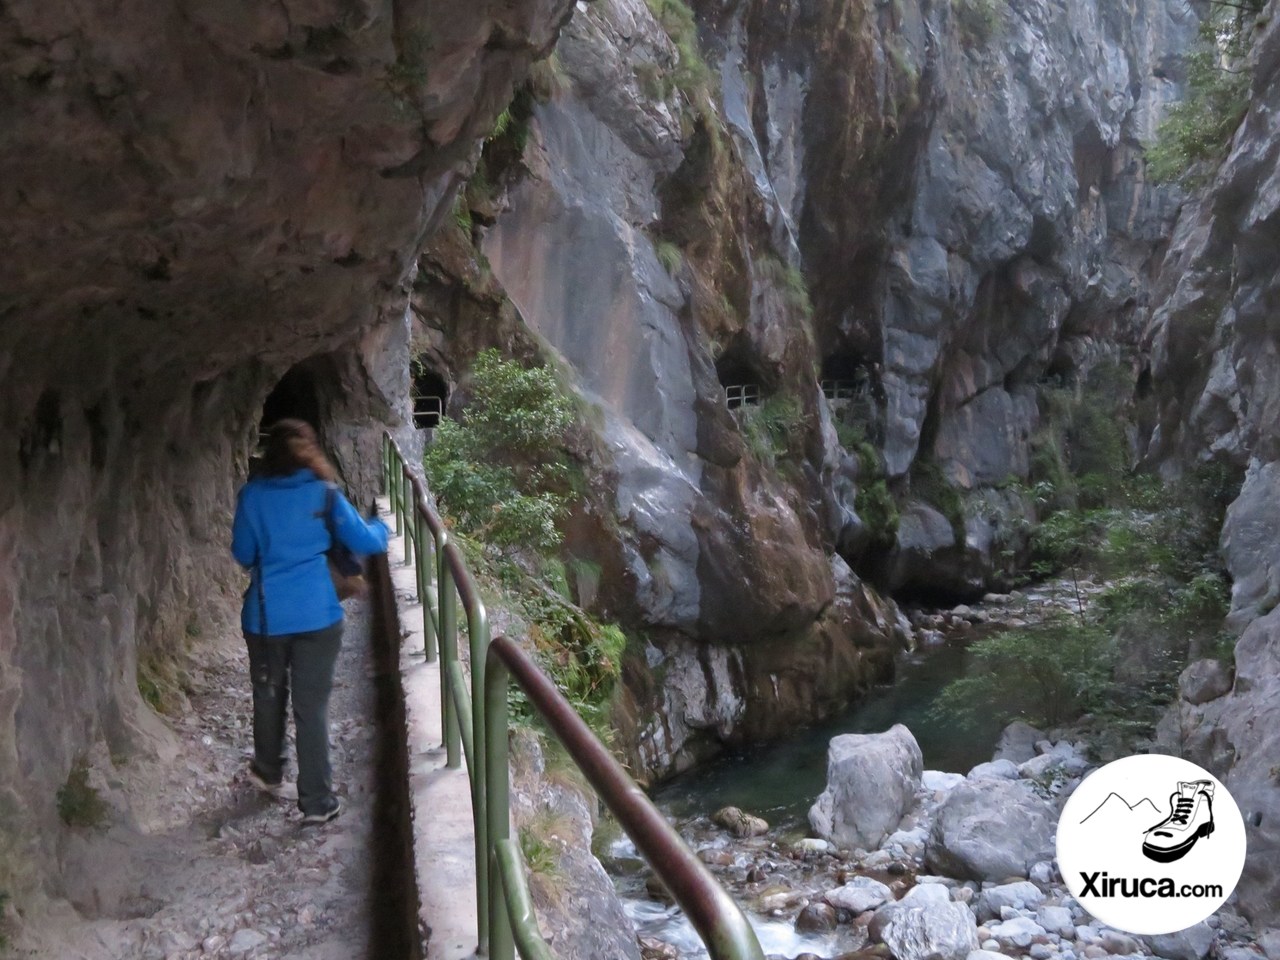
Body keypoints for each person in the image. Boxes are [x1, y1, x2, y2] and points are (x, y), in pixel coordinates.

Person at [230, 418, 389, 824]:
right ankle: (317, 802)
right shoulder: (325, 494)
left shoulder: (251, 495)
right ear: (309, 452)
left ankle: (268, 771)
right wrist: (385, 525)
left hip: (265, 616)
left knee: (267, 695)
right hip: (318, 615)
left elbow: (244, 554)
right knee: (311, 708)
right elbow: (367, 541)